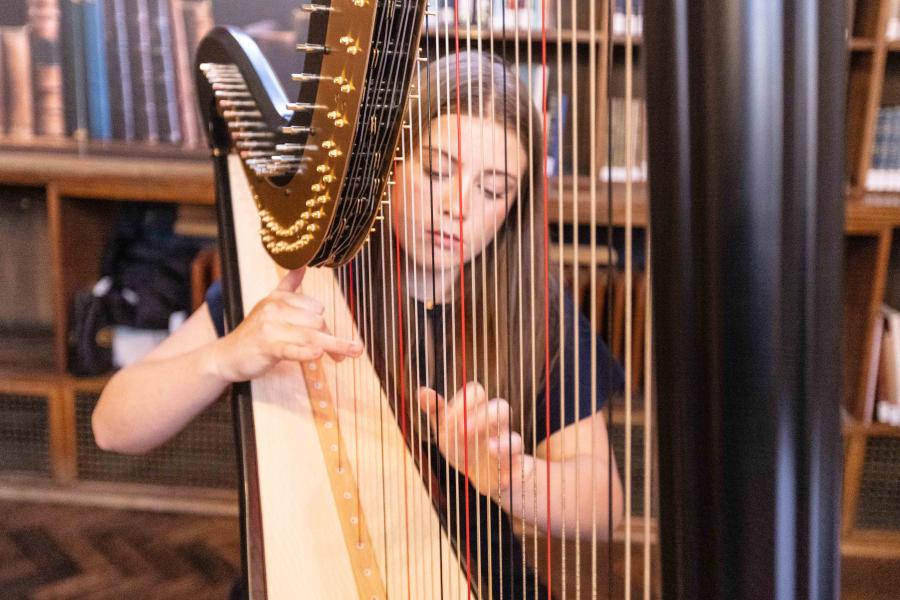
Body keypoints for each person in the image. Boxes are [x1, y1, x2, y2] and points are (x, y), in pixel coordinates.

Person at [93, 50, 624, 599]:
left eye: (492, 190)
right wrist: (226, 354)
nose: (458, 207)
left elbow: (604, 507)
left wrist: (515, 480)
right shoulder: (295, 285)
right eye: (438, 171)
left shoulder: (535, 310)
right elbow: (113, 428)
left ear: (513, 207)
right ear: (388, 165)